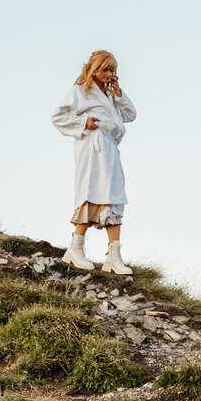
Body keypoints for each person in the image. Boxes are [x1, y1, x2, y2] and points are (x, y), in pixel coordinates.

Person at [50, 49, 137, 274]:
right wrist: (83, 123)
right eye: (105, 69)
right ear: (94, 70)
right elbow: (58, 117)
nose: (109, 74)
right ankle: (75, 249)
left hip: (110, 149)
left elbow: (130, 116)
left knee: (114, 197)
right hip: (92, 148)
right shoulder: (79, 92)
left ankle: (114, 258)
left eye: (112, 70)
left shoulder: (111, 95)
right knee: (91, 194)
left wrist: (119, 93)